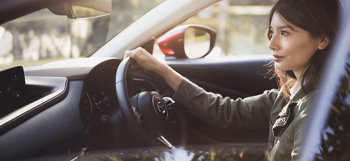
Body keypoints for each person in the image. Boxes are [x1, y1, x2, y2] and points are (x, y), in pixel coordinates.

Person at [124, 0, 339, 160]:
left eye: (285, 33)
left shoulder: (318, 110)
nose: (271, 44)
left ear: (322, 39)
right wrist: (159, 68)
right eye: (272, 32)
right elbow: (225, 112)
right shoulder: (288, 94)